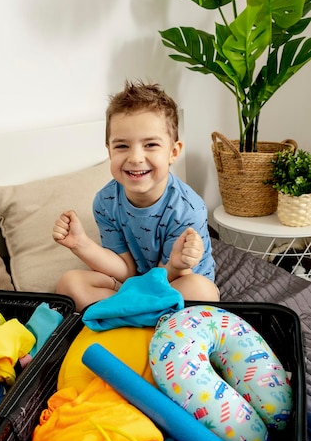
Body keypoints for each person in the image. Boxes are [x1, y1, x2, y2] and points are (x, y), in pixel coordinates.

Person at [52, 80, 219, 311]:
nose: (135, 158)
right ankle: (139, 312)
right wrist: (81, 245)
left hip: (175, 279)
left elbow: (167, 276)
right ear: (109, 151)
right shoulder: (105, 201)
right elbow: (125, 269)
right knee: (69, 284)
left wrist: (179, 265)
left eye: (150, 144)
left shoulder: (187, 209)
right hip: (136, 283)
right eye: (122, 146)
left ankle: (124, 312)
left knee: (203, 292)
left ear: (173, 152)